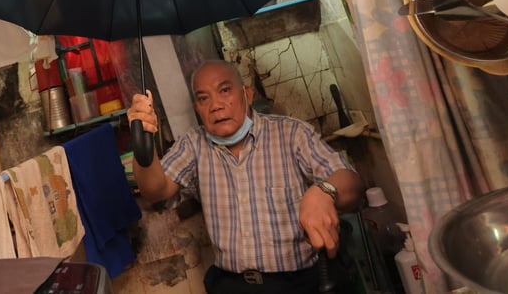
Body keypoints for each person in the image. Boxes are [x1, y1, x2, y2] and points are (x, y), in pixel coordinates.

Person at [127, 59, 365, 294]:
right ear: (197, 108)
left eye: (225, 91)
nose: (215, 105)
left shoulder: (291, 133)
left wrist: (325, 191)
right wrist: (143, 142)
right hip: (232, 285)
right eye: (203, 98)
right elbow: (155, 191)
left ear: (247, 94)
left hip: (299, 283)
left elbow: (352, 183)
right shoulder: (193, 145)